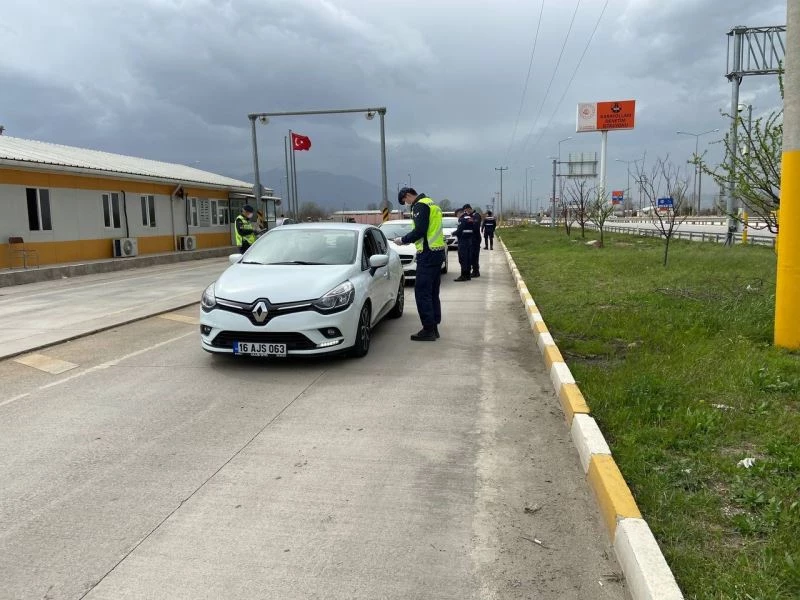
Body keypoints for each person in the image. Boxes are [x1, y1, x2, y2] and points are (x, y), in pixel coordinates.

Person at [394, 187, 446, 341]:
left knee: (422, 293)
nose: (406, 204)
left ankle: (428, 329)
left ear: (408, 195)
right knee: (432, 293)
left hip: (428, 253)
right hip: (437, 252)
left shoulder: (420, 206)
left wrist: (402, 240)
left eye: (405, 201)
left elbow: (420, 230)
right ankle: (434, 327)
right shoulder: (432, 204)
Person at [453, 204, 476, 281]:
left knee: (462, 259)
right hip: (469, 240)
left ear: (459, 213)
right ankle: (468, 275)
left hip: (463, 241)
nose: (457, 217)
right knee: (468, 258)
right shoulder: (470, 218)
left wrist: (453, 233)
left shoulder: (462, 219)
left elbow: (459, 230)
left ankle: (463, 276)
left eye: (457, 215)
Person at [468, 206, 482, 277]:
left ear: (469, 209)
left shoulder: (476, 215)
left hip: (475, 239)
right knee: (472, 256)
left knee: (475, 256)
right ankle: (475, 271)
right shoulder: (470, 216)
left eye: (467, 210)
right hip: (472, 239)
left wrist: (470, 222)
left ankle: (476, 272)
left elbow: (476, 227)